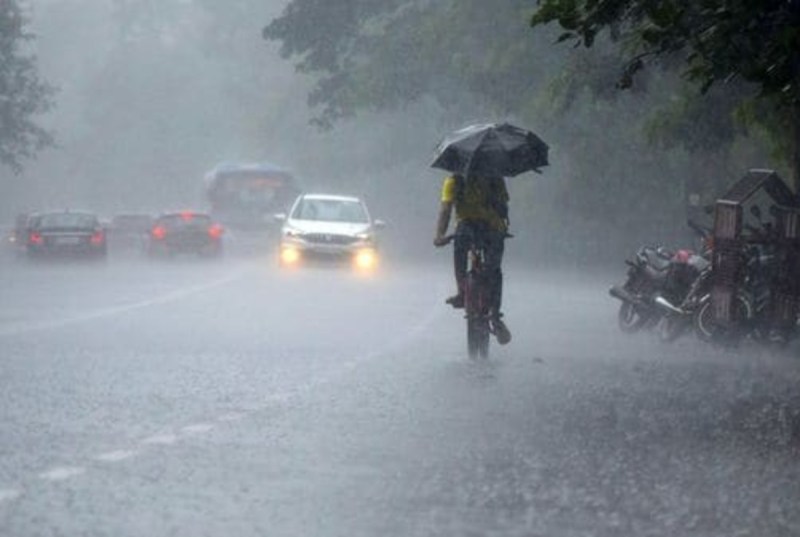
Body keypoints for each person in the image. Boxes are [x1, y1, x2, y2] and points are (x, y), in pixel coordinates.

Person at [433, 173, 511, 344]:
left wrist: (439, 235)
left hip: (466, 229)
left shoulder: (454, 181)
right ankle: (495, 316)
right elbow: (504, 207)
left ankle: (462, 291)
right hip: (492, 229)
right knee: (494, 269)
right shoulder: (495, 178)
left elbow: (446, 209)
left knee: (460, 249)